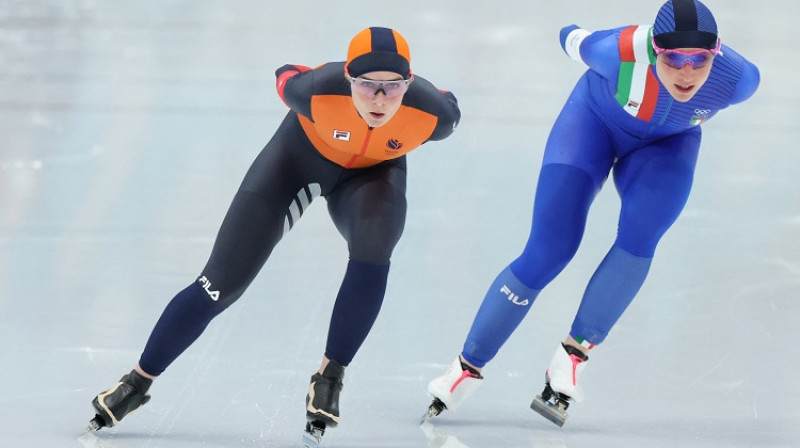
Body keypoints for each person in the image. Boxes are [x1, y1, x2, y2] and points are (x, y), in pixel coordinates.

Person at [87, 26, 460, 446]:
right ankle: (137, 382)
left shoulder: (435, 115)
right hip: (295, 164)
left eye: (392, 89)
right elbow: (287, 72)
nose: (378, 99)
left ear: (408, 85)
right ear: (348, 80)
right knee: (219, 285)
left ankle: (330, 375)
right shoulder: (315, 90)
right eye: (367, 86)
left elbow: (449, 100)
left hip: (373, 177)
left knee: (375, 250)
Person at [424, 0, 759, 427]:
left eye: (699, 60)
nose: (687, 72)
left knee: (643, 234)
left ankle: (572, 356)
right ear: (655, 50)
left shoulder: (740, 81)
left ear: (717, 53)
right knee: (550, 249)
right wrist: (574, 33)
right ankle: (466, 368)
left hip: (667, 146)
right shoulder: (615, 51)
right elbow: (569, 34)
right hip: (591, 127)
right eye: (674, 58)